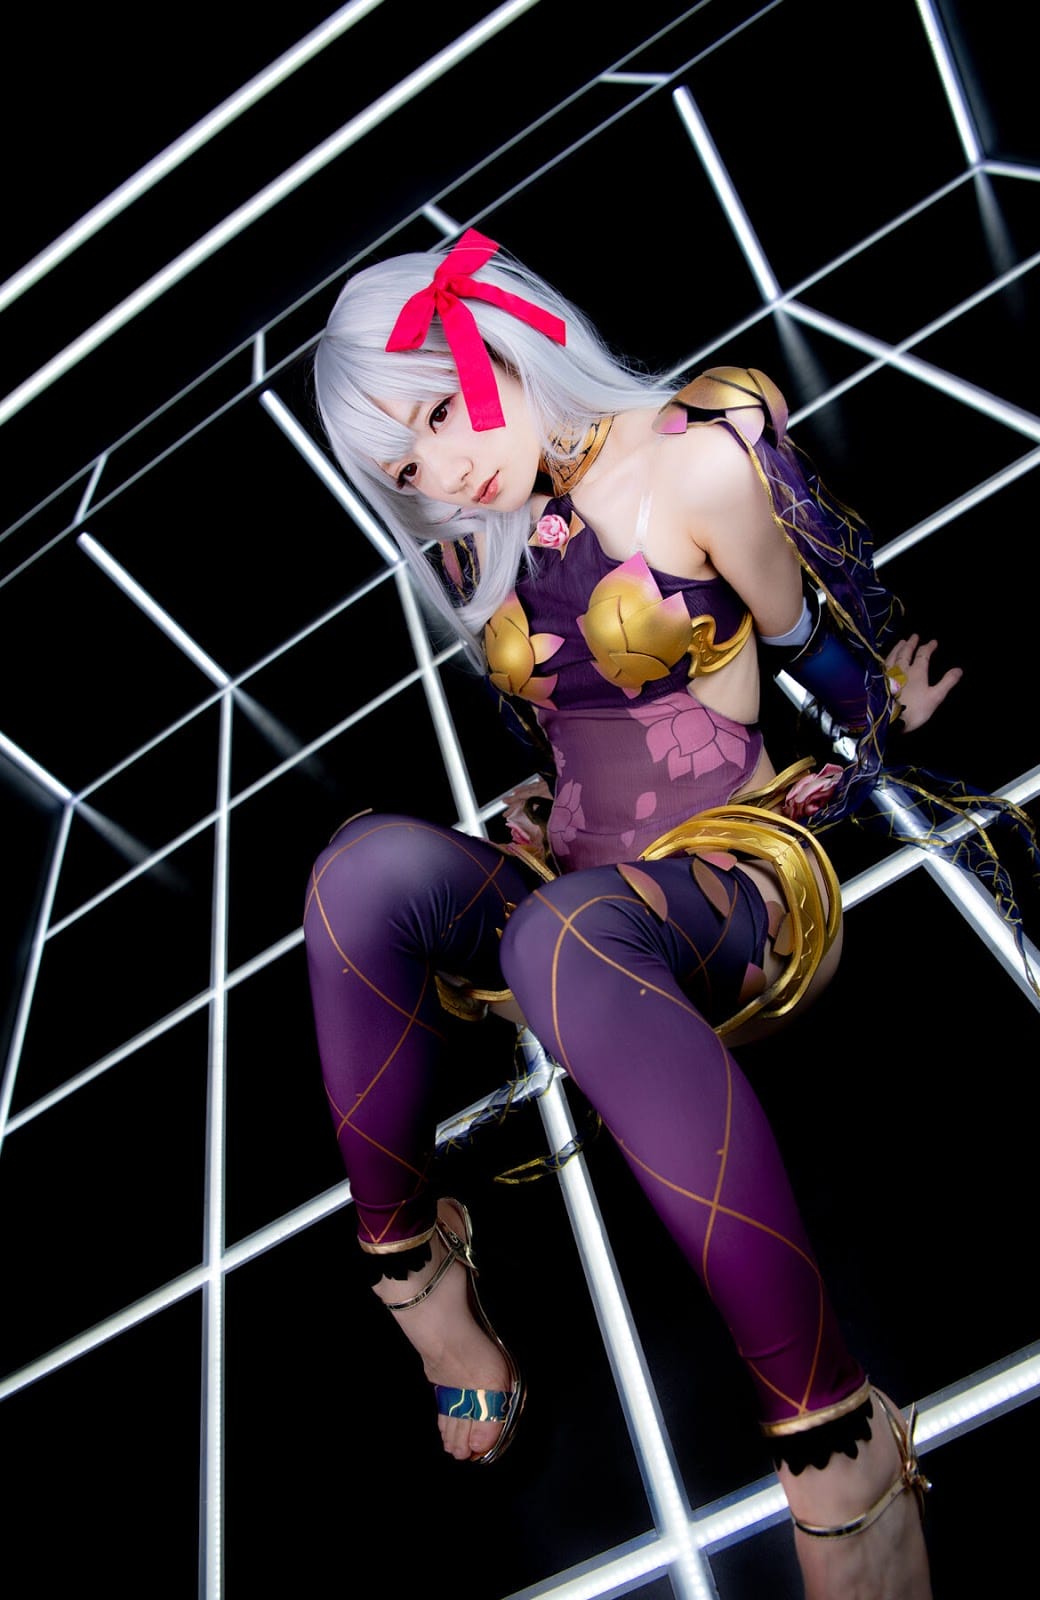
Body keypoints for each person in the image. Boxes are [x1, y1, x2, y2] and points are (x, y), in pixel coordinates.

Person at [302, 228, 990, 1599]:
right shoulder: (483, 532)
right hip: (580, 887)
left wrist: (880, 720)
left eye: (440, 410)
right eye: (406, 467)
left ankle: (840, 1451)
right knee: (354, 875)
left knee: (555, 938)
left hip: (730, 885)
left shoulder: (694, 464)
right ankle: (422, 1282)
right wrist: (550, 802)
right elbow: (561, 705)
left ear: (504, 339)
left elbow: (801, 640)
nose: (443, 471)